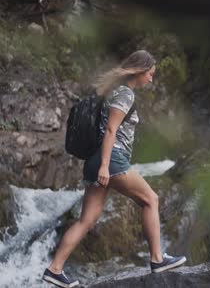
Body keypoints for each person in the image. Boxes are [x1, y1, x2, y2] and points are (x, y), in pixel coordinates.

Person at [42, 50, 186, 288]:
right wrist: (106, 166)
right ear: (140, 70)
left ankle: (54, 269)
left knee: (86, 221)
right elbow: (110, 130)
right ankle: (157, 259)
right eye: (150, 74)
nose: (151, 79)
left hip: (95, 161)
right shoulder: (125, 94)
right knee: (150, 199)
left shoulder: (114, 92)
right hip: (112, 160)